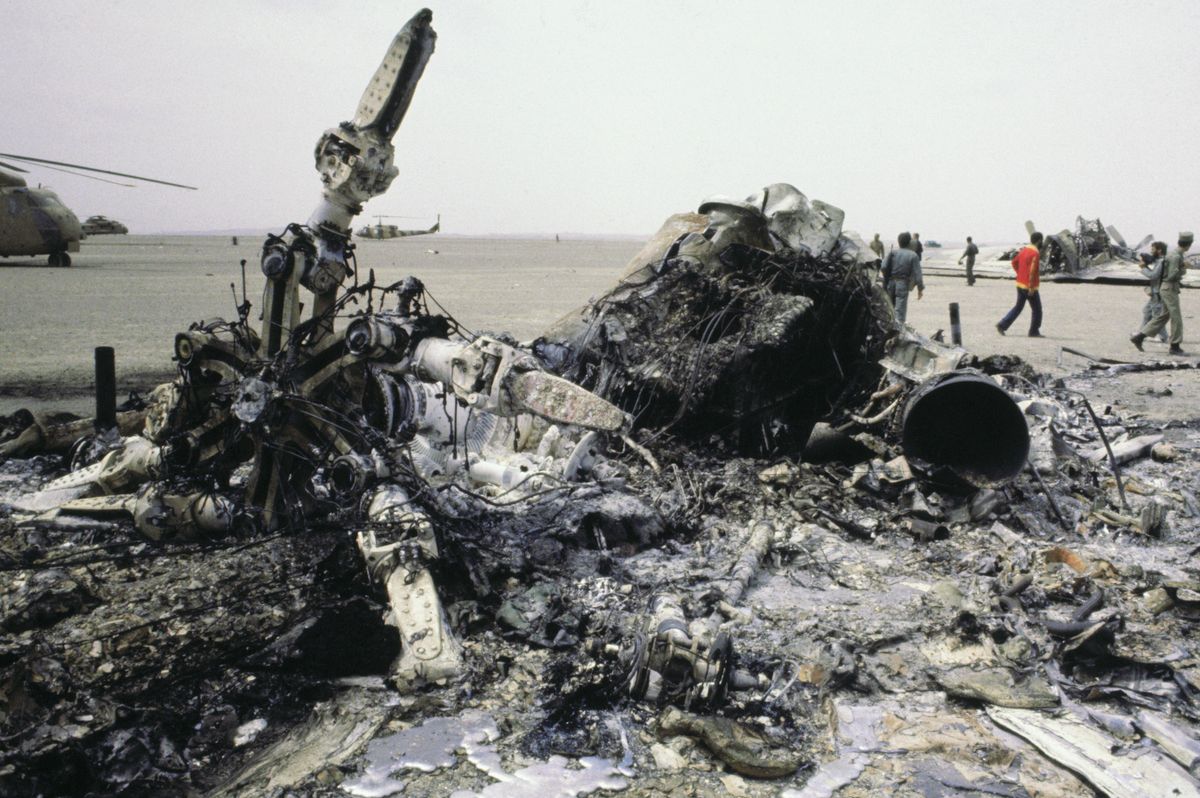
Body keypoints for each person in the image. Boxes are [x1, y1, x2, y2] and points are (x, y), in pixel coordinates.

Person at [1132, 231, 1192, 355]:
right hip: (1169, 288)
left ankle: (1139, 337)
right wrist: (1183, 268)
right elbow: (1171, 276)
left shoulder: (1173, 254)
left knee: (1163, 316)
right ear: (1189, 245)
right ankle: (1174, 346)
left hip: (1166, 289)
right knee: (1176, 318)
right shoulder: (1175, 256)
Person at [996, 231, 1043, 337]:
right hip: (1030, 287)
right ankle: (1033, 331)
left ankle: (1002, 324)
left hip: (1020, 284)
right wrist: (1031, 286)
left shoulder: (1024, 250)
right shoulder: (1035, 253)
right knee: (1037, 310)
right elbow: (1032, 272)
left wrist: (1020, 274)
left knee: (1018, 307)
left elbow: (1014, 262)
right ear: (1039, 240)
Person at [881, 231, 924, 323]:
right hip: (902, 284)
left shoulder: (893, 252)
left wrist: (886, 279)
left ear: (898, 241)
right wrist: (920, 289)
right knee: (900, 311)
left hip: (890, 283)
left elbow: (883, 266)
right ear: (909, 242)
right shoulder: (913, 255)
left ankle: (886, 328)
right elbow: (918, 275)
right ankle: (897, 332)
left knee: (888, 308)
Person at [1138, 242, 1169, 343]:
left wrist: (1143, 268)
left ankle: (1164, 337)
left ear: (1159, 250)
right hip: (1155, 292)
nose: (1151, 252)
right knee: (1147, 311)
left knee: (1157, 316)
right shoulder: (1159, 261)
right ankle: (1141, 333)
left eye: (1153, 249)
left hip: (1158, 293)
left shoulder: (1161, 262)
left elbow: (1153, 276)